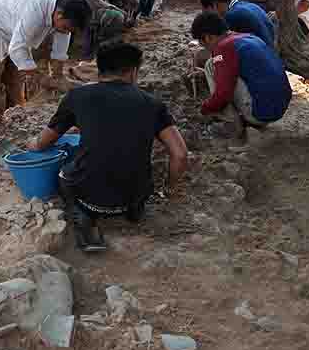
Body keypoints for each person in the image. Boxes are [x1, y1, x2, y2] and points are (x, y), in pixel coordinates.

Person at [27, 43, 189, 252]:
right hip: (135, 198)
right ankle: (132, 213)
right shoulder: (152, 103)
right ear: (133, 71)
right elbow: (180, 154)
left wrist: (31, 143)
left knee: (64, 171)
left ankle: (82, 216)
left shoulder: (77, 97)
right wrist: (171, 189)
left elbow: (43, 142)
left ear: (100, 70)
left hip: (90, 197)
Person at [0, 0, 91, 113]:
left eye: (70, 30)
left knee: (15, 78)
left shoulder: (69, 3)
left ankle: (16, 114)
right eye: (66, 28)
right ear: (59, 15)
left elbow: (63, 36)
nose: (67, 32)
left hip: (14, 24)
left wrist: (58, 75)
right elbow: (16, 48)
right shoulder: (36, 9)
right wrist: (42, 79)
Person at [191, 12, 292, 141]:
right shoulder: (247, 37)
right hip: (279, 108)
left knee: (211, 66)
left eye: (203, 43)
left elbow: (223, 94)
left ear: (208, 37)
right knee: (216, 64)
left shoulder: (223, 48)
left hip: (260, 114)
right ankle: (246, 116)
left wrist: (205, 109)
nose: (206, 48)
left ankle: (232, 124)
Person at [200, 0, 275, 46]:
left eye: (207, 11)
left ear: (214, 5)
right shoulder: (249, 5)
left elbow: (223, 45)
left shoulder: (231, 16)